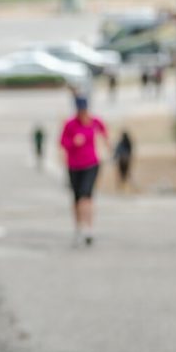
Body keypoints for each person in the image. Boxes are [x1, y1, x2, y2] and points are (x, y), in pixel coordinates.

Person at [60, 95, 109, 246]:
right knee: (76, 199)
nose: (83, 113)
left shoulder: (94, 122)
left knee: (85, 197)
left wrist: (108, 146)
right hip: (74, 165)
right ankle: (78, 227)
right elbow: (63, 142)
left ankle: (89, 228)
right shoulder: (70, 124)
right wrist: (74, 142)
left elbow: (105, 133)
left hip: (91, 164)